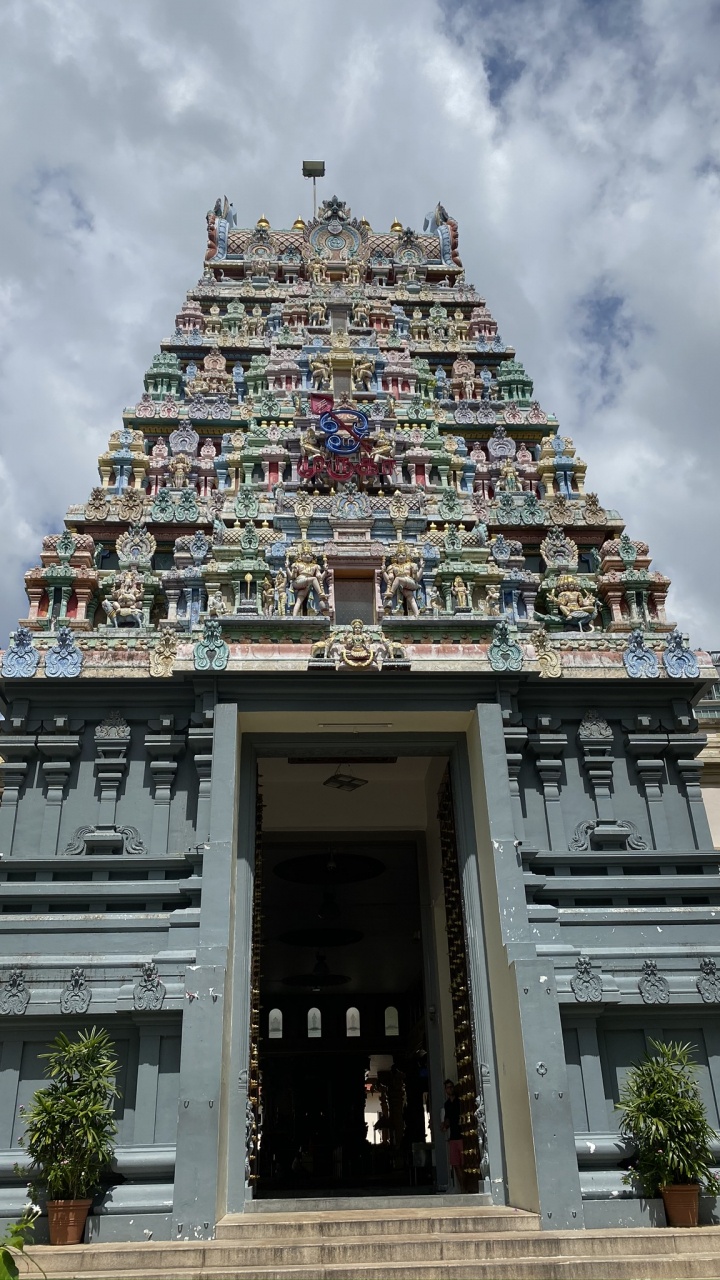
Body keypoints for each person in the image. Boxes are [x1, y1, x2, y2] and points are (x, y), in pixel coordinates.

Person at [440, 1079, 465, 1192]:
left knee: (463, 1163)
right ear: (446, 1090)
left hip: (461, 1135)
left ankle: (466, 1187)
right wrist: (444, 1126)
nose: (450, 1089)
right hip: (453, 1136)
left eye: (451, 1087)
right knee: (455, 1164)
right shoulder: (447, 1104)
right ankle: (462, 1187)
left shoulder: (460, 1101)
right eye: (448, 1088)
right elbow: (447, 1120)